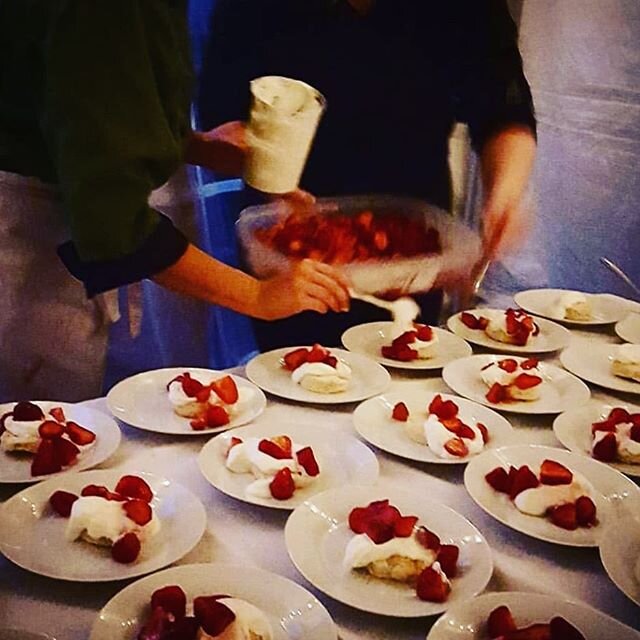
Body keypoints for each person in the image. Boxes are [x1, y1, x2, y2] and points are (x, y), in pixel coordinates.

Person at [0, 1, 350, 402]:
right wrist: (258, 296)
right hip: (29, 250)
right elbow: (114, 221)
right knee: (35, 435)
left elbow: (80, 101)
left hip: (63, 227)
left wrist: (194, 146)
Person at [198, 0, 537, 350]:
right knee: (299, 380)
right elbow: (220, 112)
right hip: (291, 233)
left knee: (406, 379)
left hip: (414, 242)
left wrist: (505, 195)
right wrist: (266, 175)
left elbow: (503, 103)